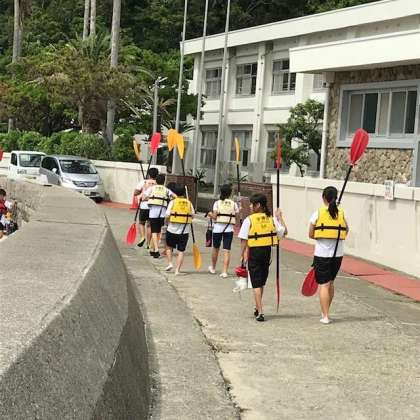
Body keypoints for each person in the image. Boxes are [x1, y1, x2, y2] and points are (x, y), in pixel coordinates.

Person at [238, 193, 288, 322]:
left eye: (252, 204)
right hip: (267, 252)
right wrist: (280, 218)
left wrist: (242, 255)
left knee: (255, 283)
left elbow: (243, 240)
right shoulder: (272, 219)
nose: (250, 206)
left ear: (258, 205)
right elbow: (285, 232)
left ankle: (260, 312)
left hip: (254, 252)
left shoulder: (249, 220)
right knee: (261, 282)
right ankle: (257, 306)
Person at [309, 186, 349, 325]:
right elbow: (346, 230)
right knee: (330, 283)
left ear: (324, 198)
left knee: (324, 285)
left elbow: (311, 234)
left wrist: (322, 236)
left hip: (322, 254)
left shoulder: (318, 213)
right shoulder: (341, 213)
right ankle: (325, 312)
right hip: (338, 254)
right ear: (336, 198)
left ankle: (325, 315)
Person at [207, 184, 239, 278]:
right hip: (229, 229)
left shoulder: (217, 203)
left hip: (218, 228)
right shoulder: (234, 204)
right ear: (230, 193)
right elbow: (237, 218)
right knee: (226, 250)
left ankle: (213, 268)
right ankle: (224, 271)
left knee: (215, 248)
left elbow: (214, 217)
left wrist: (209, 214)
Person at [142, 174, 175, 258]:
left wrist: (150, 198)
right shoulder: (166, 190)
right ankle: (152, 249)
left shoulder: (152, 188)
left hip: (153, 213)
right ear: (164, 181)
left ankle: (156, 250)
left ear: (156, 181)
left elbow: (143, 198)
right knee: (159, 231)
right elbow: (175, 197)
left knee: (154, 231)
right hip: (162, 213)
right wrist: (169, 200)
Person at [164, 184, 195, 275]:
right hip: (184, 231)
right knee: (181, 251)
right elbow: (193, 216)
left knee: (169, 247)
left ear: (175, 193)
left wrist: (166, 223)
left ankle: (170, 263)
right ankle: (177, 270)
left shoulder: (172, 202)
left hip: (172, 229)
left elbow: (167, 215)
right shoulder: (189, 203)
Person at [134, 167, 159, 248]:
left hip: (144, 206)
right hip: (154, 207)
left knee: (141, 223)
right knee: (149, 225)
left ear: (149, 174)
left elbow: (135, 193)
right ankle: (148, 244)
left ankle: (142, 237)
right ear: (157, 175)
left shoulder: (143, 182)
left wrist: (141, 192)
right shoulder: (158, 183)